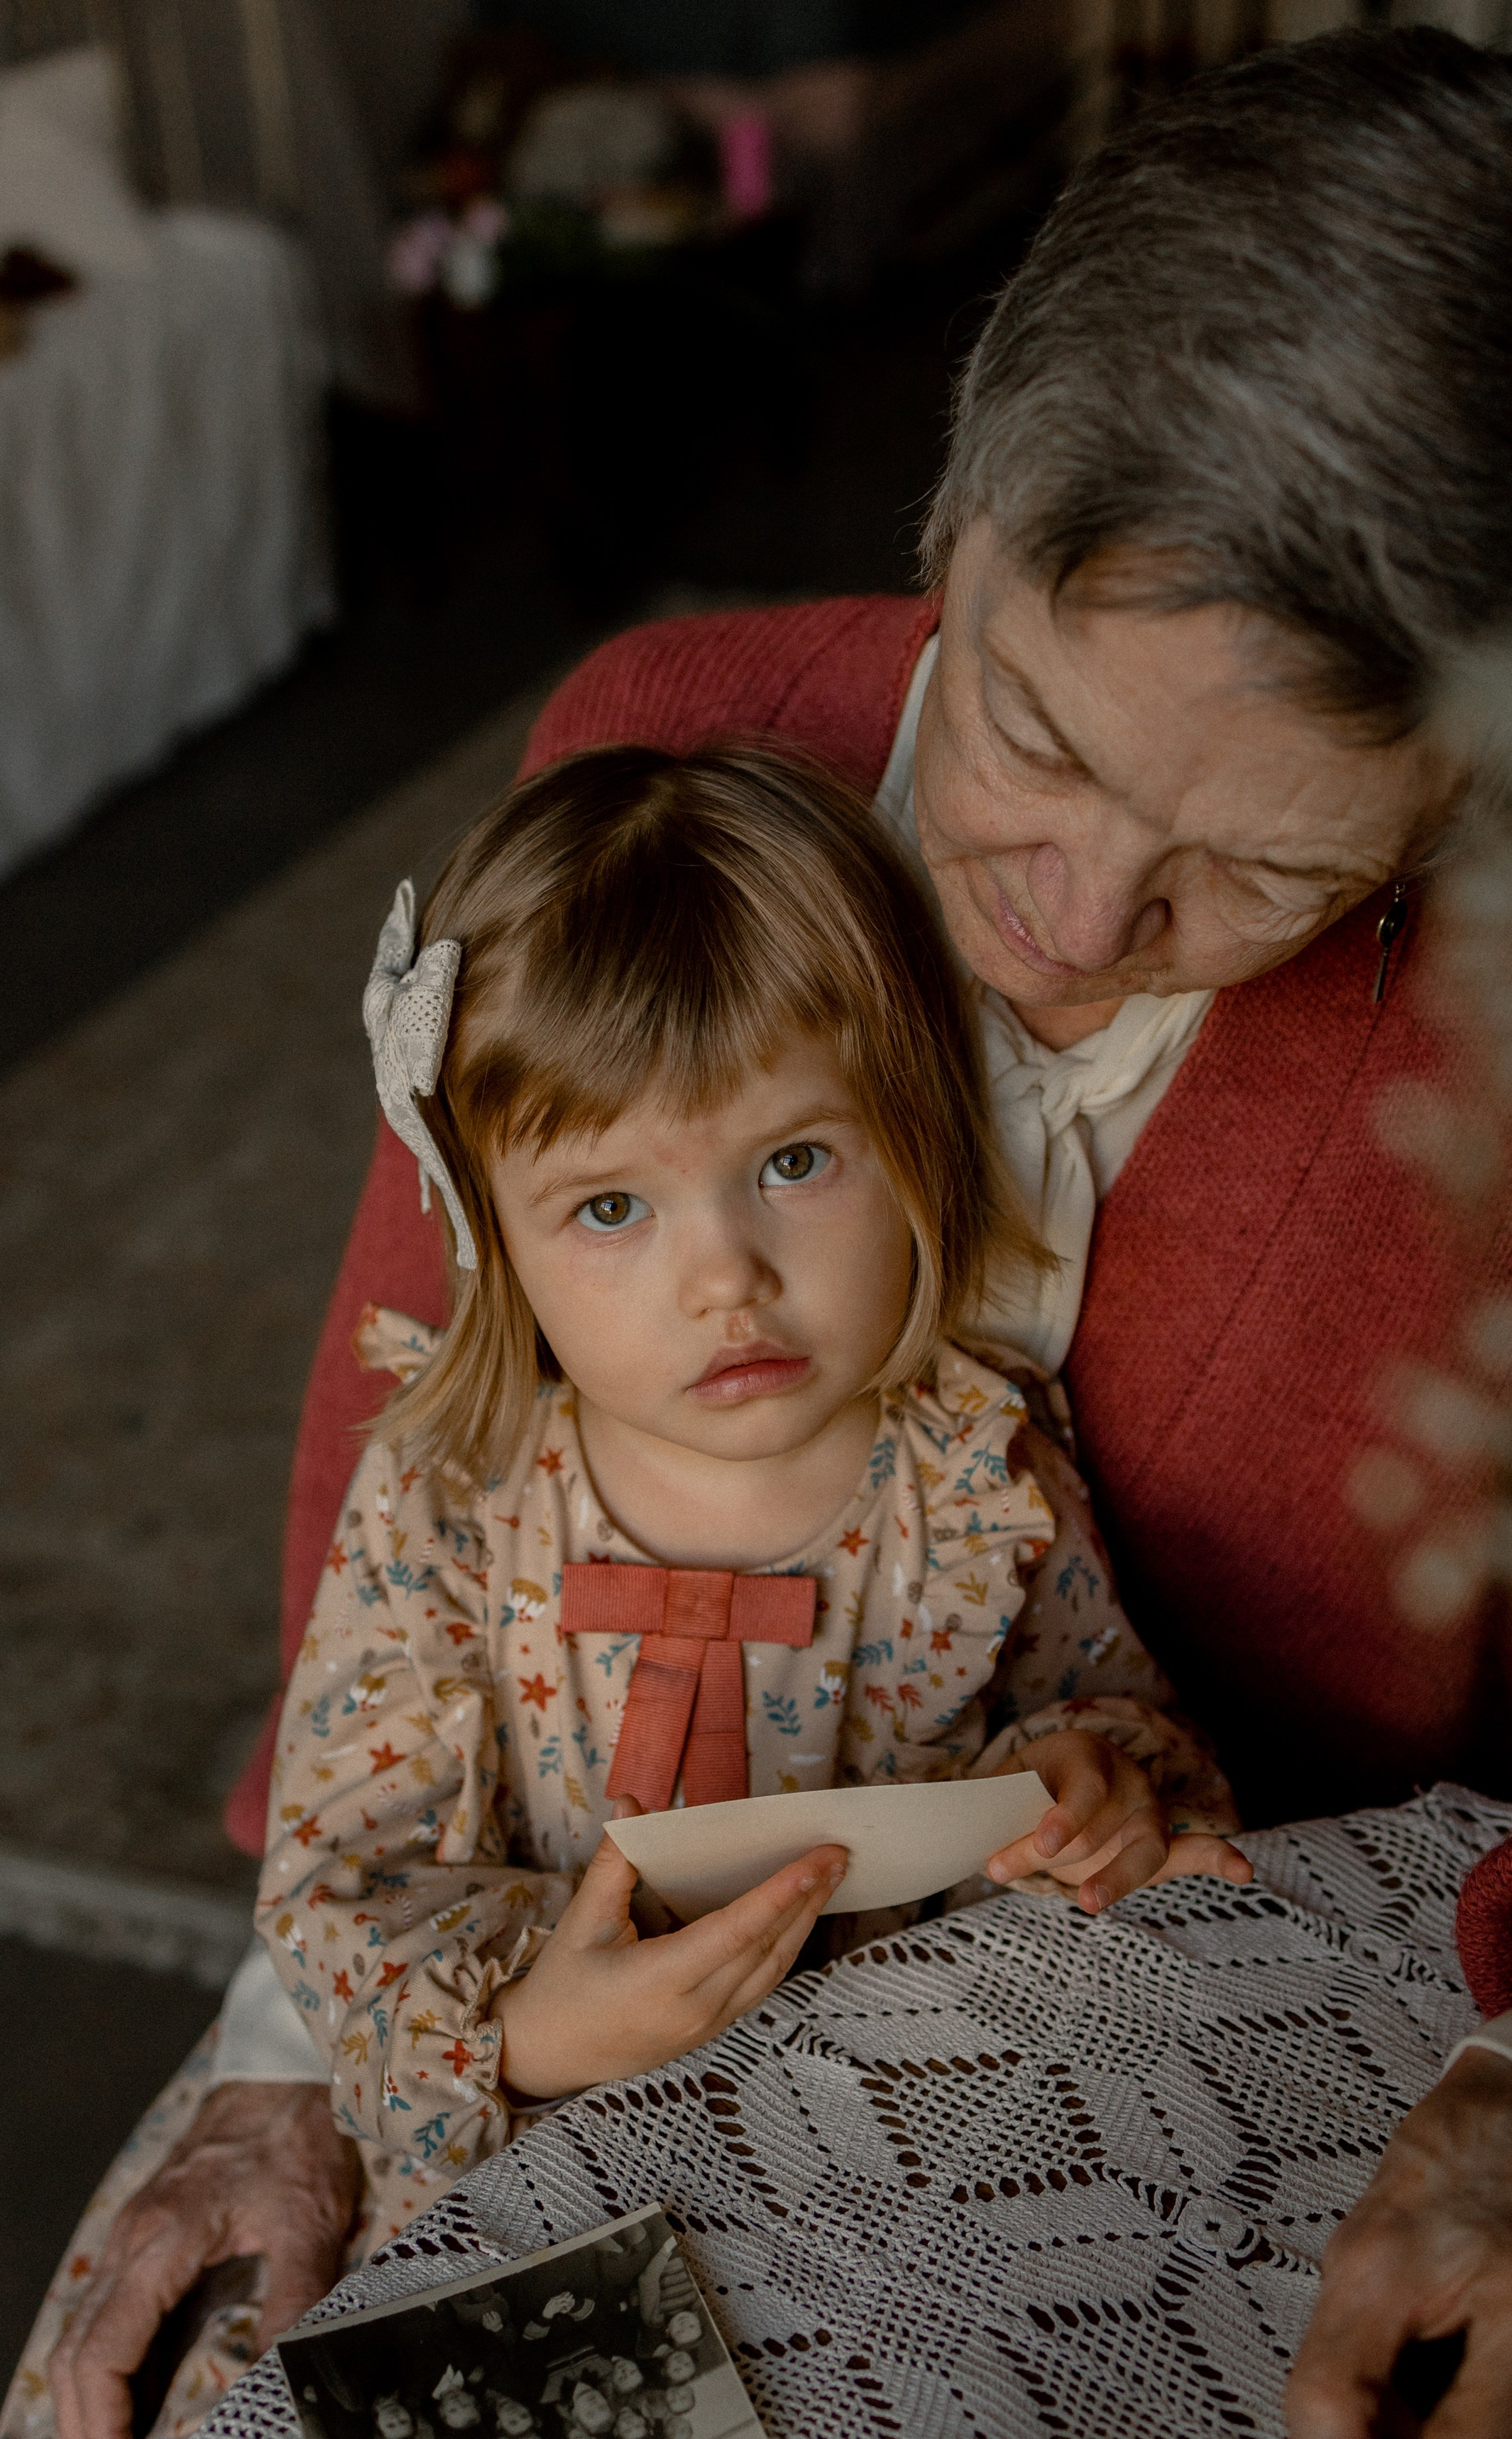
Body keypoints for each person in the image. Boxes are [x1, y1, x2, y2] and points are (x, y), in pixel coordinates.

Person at [16, 25, 1512, 2439]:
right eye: (1035, 743)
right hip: (510, 2023)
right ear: (958, 510)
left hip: (1122, 2164)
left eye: (1263, 872)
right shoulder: (655, 757)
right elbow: (411, 1509)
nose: (1070, 933)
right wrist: (306, 2072)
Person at [255, 737, 1244, 2244]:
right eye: (606, 1205)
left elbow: (1105, 1715)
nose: (723, 1274)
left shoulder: (973, 1476)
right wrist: (528, 2034)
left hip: (907, 2164)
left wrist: (1091, 1800)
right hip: (544, 2196)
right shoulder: (448, 1501)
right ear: (490, 1239)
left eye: (792, 1161)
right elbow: (339, 1884)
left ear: (915, 1133)